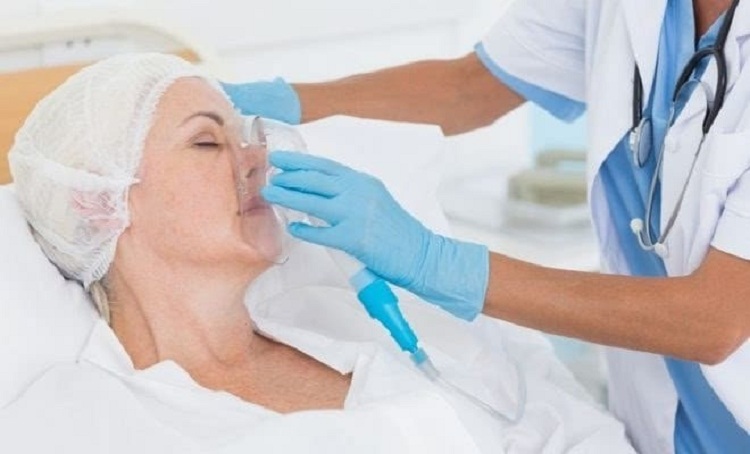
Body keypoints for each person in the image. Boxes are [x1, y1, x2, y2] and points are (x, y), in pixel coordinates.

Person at [1, 53, 635, 453]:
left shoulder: (367, 319)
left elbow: (570, 428)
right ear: (98, 201)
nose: (258, 158)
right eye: (207, 143)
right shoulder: (77, 423)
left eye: (250, 136)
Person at [224, 0, 750, 452]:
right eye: (204, 142)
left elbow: (714, 317)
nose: (242, 162)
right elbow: (468, 88)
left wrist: (435, 262)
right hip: (660, 424)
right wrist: (271, 102)